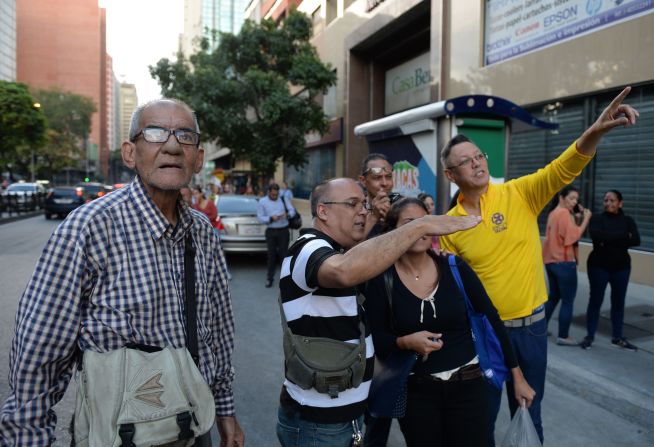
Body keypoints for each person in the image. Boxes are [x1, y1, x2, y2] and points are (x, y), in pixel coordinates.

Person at [0, 99, 244, 446]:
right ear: (130, 153)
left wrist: (226, 411)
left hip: (194, 426)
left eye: (185, 136)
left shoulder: (203, 232)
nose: (172, 146)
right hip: (117, 432)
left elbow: (217, 333)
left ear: (198, 158)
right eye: (156, 133)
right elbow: (39, 353)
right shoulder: (89, 228)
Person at [439, 87, 639, 445]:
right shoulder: (449, 225)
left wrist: (595, 130)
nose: (477, 163)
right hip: (484, 335)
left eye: (479, 155)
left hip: (531, 330)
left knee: (529, 412)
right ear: (451, 175)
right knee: (479, 418)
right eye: (466, 161)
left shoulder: (518, 194)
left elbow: (564, 167)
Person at [277, 177, 481, 447]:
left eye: (364, 204)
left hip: (341, 417)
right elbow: (344, 270)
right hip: (319, 423)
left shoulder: (340, 250)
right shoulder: (308, 247)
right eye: (352, 204)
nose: (363, 210)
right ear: (323, 211)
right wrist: (420, 225)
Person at [365, 198, 534, 446]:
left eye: (425, 222)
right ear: (393, 232)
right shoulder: (382, 279)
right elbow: (376, 338)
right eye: (410, 223)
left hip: (470, 387)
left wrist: (518, 377)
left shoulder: (454, 267)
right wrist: (404, 342)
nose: (420, 229)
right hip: (416, 393)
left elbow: (492, 320)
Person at [580, 190, 641, 351]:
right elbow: (596, 235)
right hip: (598, 267)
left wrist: (607, 239)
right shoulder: (597, 219)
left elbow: (636, 240)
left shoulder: (628, 220)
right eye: (606, 200)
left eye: (612, 200)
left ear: (620, 203)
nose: (608, 203)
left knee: (618, 303)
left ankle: (618, 337)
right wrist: (622, 237)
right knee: (595, 301)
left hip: (621, 268)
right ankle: (590, 336)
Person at [542, 185, 592, 346]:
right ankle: (563, 336)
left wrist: (576, 216)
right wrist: (586, 219)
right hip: (563, 263)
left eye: (576, 199)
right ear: (561, 198)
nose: (574, 202)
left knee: (553, 297)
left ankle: (541, 329)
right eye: (571, 198)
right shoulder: (563, 214)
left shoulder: (554, 213)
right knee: (568, 301)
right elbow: (573, 236)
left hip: (551, 262)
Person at [258, 183, 296, 288]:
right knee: (271, 256)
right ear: (269, 192)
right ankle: (270, 278)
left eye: (277, 194)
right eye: (273, 194)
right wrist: (270, 218)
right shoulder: (263, 201)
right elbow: (260, 217)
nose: (275, 196)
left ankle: (285, 280)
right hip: (271, 231)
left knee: (284, 256)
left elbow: (292, 211)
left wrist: (287, 215)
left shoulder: (283, 199)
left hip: (283, 230)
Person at [359, 153, 395, 238]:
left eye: (388, 177)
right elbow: (349, 248)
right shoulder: (356, 209)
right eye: (377, 178)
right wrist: (374, 217)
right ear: (363, 180)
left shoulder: (401, 206)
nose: (384, 183)